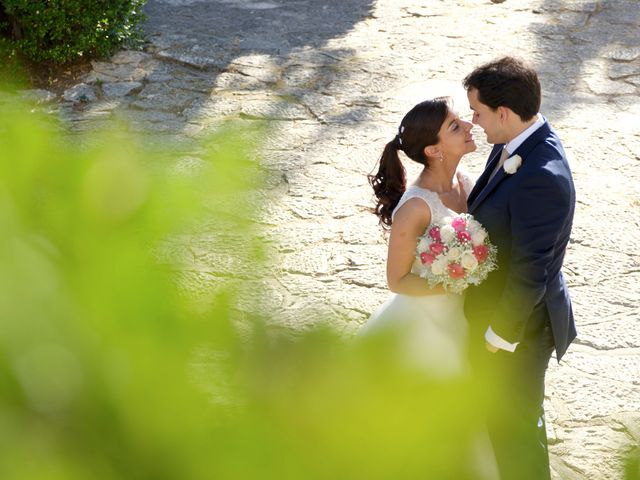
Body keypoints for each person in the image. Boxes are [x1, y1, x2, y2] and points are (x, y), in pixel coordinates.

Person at [463, 56, 576, 480]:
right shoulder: (515, 142)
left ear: (504, 113)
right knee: (499, 430)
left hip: (520, 332)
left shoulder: (542, 176)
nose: (474, 121)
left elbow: (532, 269)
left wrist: (499, 336)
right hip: (498, 318)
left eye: (477, 112)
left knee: (517, 436)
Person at [361, 97, 476, 377]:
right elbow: (397, 280)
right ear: (433, 150)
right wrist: (454, 285)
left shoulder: (464, 180)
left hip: (466, 315)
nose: (469, 125)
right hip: (425, 324)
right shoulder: (415, 207)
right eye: (455, 127)